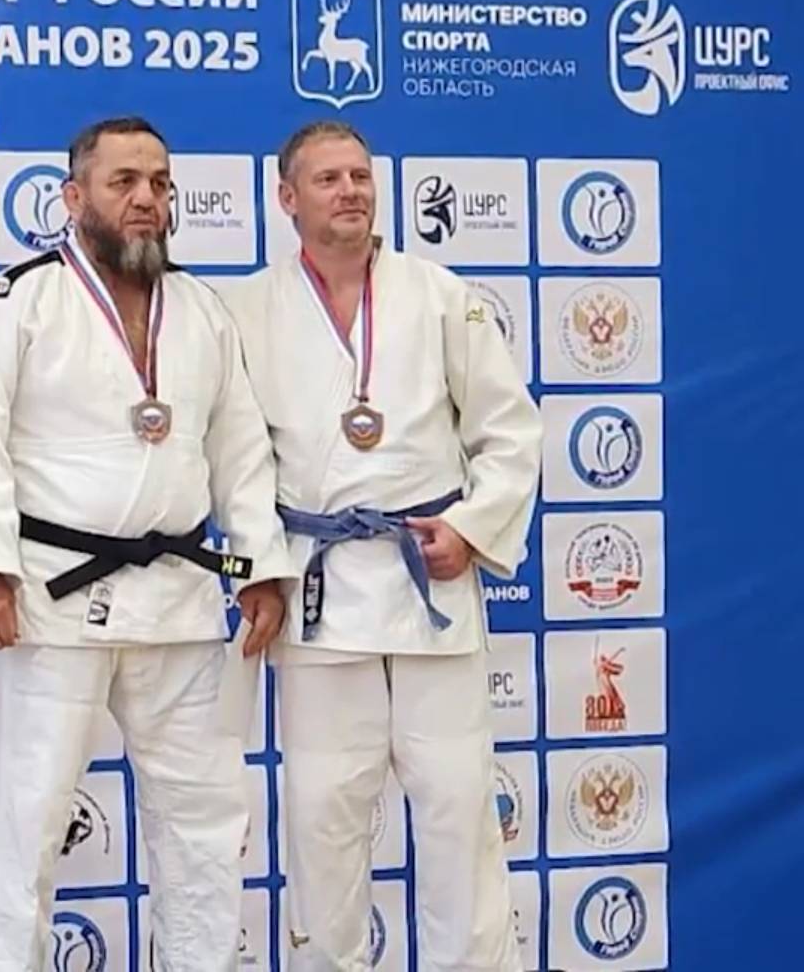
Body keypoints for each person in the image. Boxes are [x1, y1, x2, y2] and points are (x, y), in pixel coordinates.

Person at [0, 115, 297, 970]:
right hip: (51, 599)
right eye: (123, 181)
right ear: (73, 196)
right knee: (25, 821)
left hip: (176, 598)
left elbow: (240, 451)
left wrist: (259, 566)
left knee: (204, 821)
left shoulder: (200, 310)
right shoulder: (16, 301)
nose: (144, 199)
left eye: (158, 183)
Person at [219, 119, 542, 972]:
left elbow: (510, 431)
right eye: (327, 178)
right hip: (320, 594)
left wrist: (472, 526)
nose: (350, 191)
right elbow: (237, 461)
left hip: (430, 584)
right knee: (321, 815)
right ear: (286, 198)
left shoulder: (440, 295)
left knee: (458, 812)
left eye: (359, 176)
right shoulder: (243, 310)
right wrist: (260, 566)